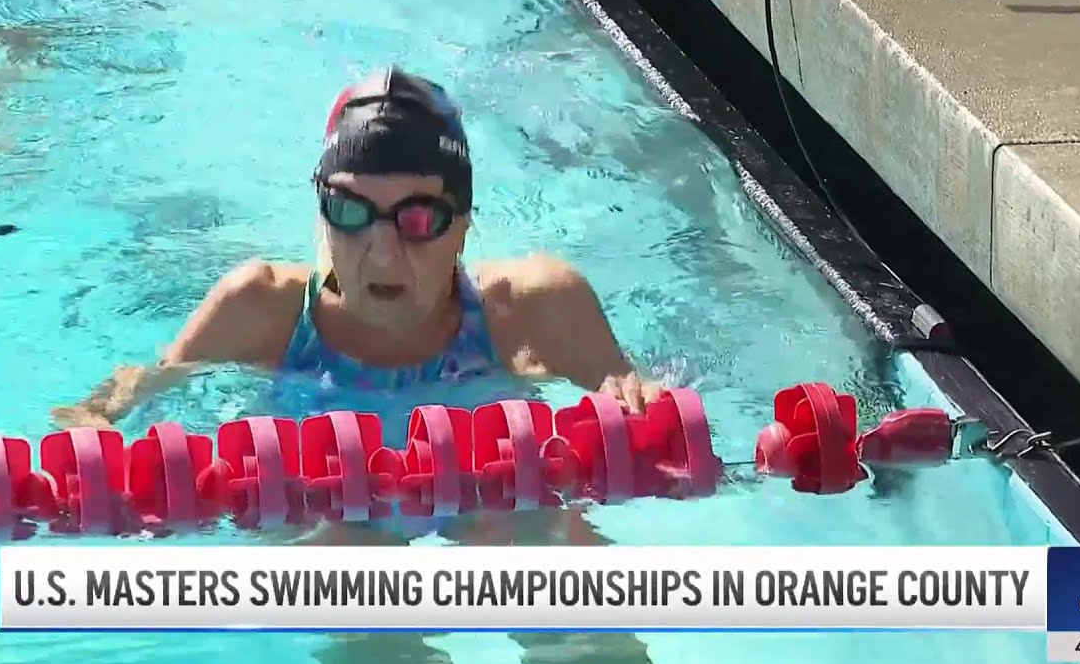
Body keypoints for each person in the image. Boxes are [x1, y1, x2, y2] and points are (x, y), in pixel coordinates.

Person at [51, 65, 665, 431]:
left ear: (463, 225)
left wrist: (647, 409)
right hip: (332, 518)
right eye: (348, 212)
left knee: (529, 533)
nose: (381, 251)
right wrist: (92, 418)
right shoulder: (261, 309)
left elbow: (652, 415)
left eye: (418, 219)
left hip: (490, 505)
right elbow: (138, 389)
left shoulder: (536, 310)